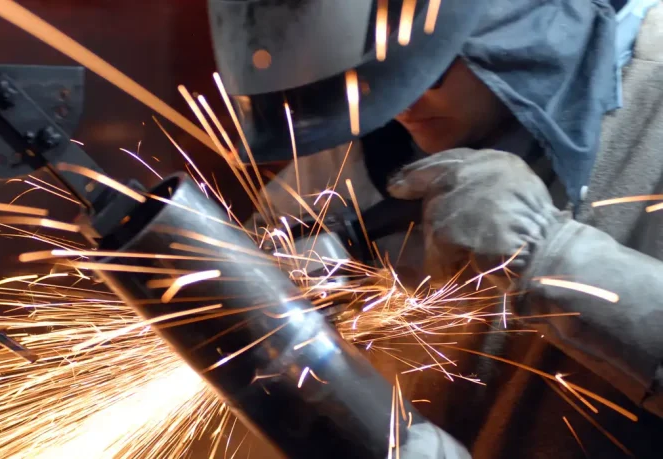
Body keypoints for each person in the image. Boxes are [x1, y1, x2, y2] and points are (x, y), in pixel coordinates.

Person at [230, 0, 663, 456]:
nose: (401, 100)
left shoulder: (650, 107)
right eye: (371, 67)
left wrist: (550, 254)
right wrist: (264, 290)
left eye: (428, 63)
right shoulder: (369, 121)